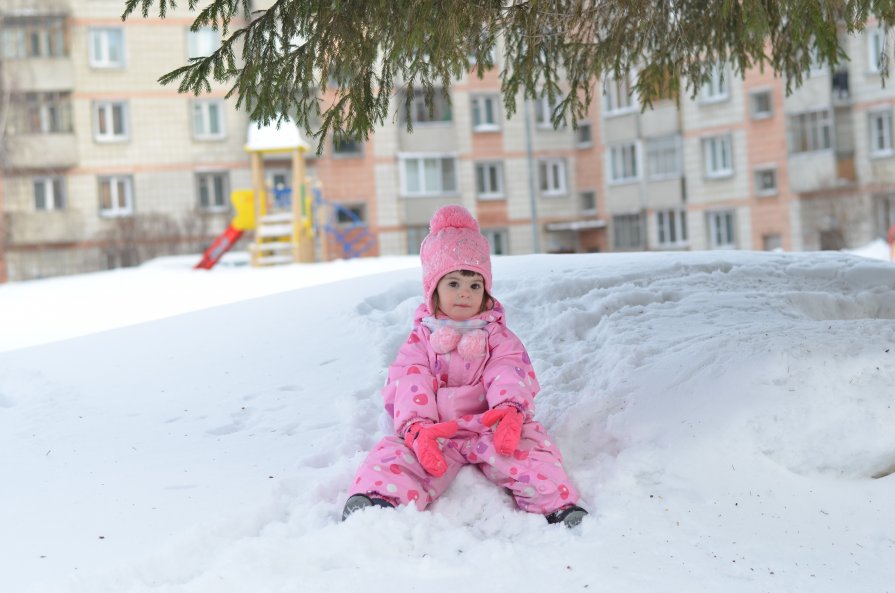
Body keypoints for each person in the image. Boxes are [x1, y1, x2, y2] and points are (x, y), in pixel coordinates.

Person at [342, 205, 587, 527]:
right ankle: (378, 498)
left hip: (490, 425)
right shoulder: (422, 339)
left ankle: (557, 505)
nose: (465, 294)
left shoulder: (497, 336)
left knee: (532, 452)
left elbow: (508, 369)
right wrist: (416, 427)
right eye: (453, 284)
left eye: (475, 286)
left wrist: (509, 410)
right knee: (396, 455)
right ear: (434, 289)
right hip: (434, 432)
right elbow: (409, 378)